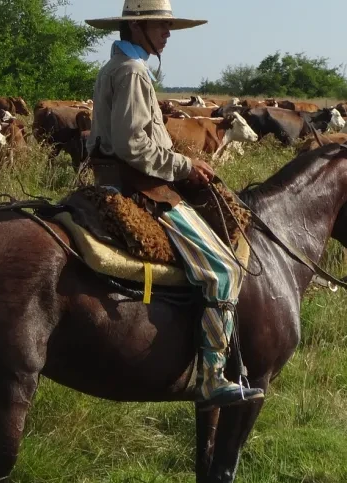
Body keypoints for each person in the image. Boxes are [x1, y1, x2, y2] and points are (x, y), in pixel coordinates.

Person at [85, 1, 264, 410]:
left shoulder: (114, 67)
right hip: (141, 189)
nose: (168, 34)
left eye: (168, 27)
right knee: (223, 269)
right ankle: (212, 376)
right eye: (161, 26)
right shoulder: (132, 73)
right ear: (138, 28)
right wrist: (184, 166)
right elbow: (133, 145)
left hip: (113, 179)